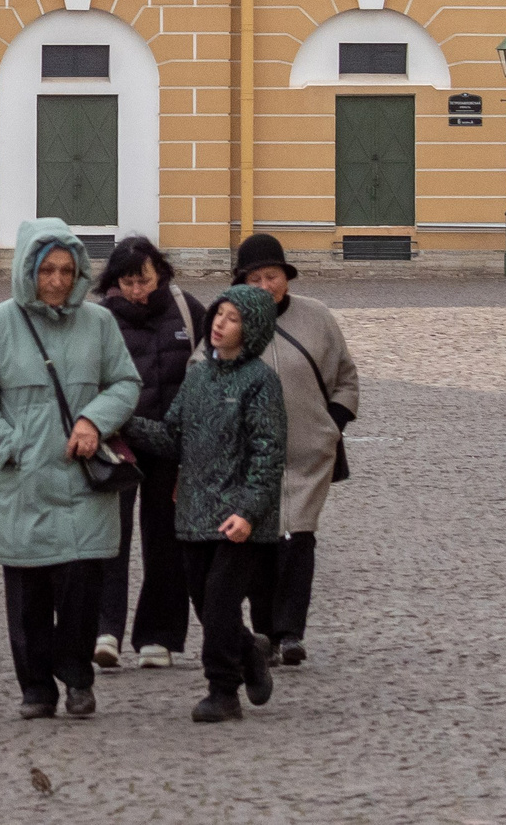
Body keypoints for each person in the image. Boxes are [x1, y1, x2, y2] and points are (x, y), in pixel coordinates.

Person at [0, 220, 141, 719]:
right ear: (26, 270)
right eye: (47, 270)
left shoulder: (99, 323)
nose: (58, 280)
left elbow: (125, 383)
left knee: (82, 588)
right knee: (29, 595)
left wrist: (93, 421)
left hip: (83, 478)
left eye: (67, 269)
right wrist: (10, 445)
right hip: (25, 481)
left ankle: (78, 677)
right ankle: (36, 688)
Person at [124, 283, 286, 723]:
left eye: (232, 319)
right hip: (195, 512)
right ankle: (250, 649)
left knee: (218, 603)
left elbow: (269, 455)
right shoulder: (197, 377)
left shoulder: (261, 383)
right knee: (204, 603)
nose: (219, 323)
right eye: (219, 314)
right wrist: (124, 423)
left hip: (238, 518)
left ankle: (223, 690)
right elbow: (172, 436)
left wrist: (250, 512)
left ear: (251, 329)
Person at [235, 233, 357, 667]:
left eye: (273, 276)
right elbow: (203, 372)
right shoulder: (228, 319)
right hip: (251, 460)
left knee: (298, 540)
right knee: (259, 546)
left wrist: (332, 427)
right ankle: (264, 630)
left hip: (308, 453)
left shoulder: (317, 316)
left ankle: (290, 633)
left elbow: (345, 377)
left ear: (286, 277)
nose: (265, 286)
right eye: (255, 279)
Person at [90, 235, 207, 670]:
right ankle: (105, 631)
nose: (137, 291)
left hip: (170, 444)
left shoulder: (186, 310)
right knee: (109, 538)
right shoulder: (97, 318)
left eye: (145, 281)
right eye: (128, 282)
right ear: (114, 281)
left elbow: (204, 367)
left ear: (160, 275)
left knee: (166, 541)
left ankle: (159, 637)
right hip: (115, 444)